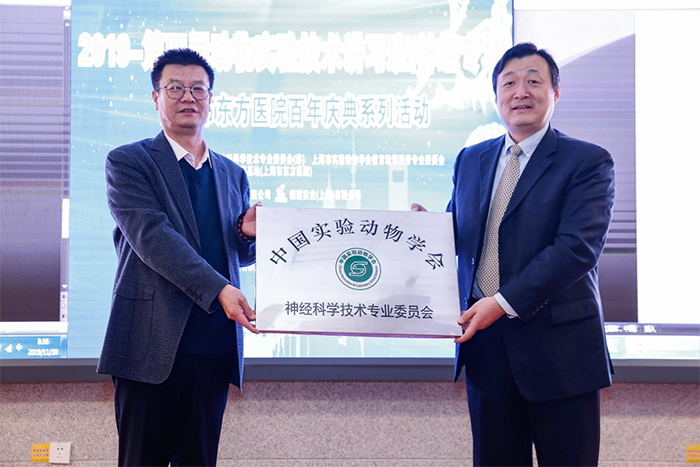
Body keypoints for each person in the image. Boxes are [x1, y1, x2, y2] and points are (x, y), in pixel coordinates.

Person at [413, 42, 615, 466]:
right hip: (485, 349)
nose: (520, 91)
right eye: (509, 83)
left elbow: (577, 249)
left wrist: (502, 303)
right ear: (496, 96)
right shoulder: (471, 159)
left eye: (533, 81)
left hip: (560, 354)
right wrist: (423, 232)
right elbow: (463, 235)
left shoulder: (587, 161)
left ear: (555, 93)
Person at [97, 48, 260, 467]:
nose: (188, 97)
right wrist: (219, 288)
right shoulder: (129, 162)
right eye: (175, 88)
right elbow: (152, 237)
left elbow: (235, 255)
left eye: (198, 89)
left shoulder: (233, 173)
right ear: (156, 98)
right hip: (149, 346)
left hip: (214, 348)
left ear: (210, 99)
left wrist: (247, 235)